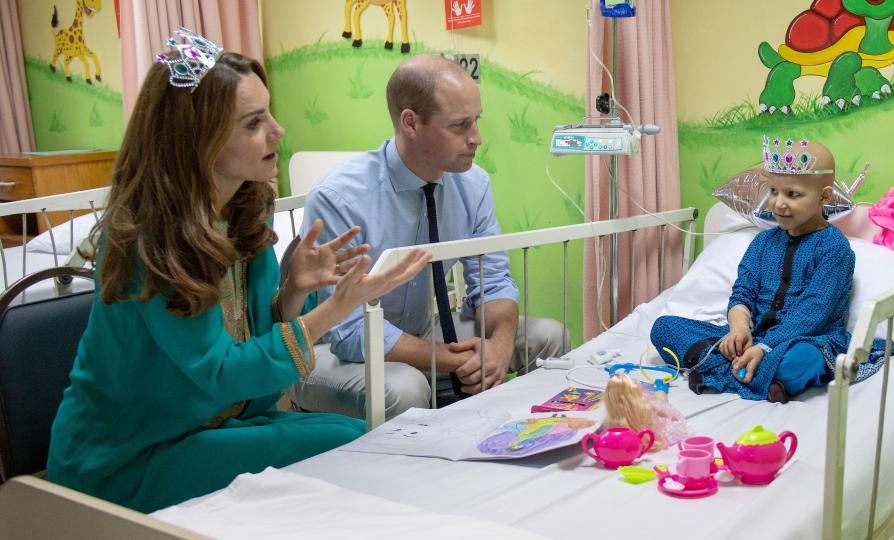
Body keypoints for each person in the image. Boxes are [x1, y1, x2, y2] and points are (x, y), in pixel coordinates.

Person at [45, 29, 430, 513]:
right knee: (349, 451)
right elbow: (224, 374)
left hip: (208, 425)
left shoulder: (243, 213)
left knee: (363, 437)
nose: (277, 130)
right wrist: (334, 309)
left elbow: (257, 376)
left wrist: (293, 294)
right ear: (196, 141)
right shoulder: (152, 242)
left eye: (268, 112)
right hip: (125, 460)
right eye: (253, 123)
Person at [290, 55, 569, 418]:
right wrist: (443, 357)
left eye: (477, 120)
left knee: (550, 335)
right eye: (459, 125)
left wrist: (498, 348)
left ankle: (528, 446)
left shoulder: (473, 185)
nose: (476, 138)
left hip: (422, 335)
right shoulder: (340, 198)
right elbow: (347, 329)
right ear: (411, 123)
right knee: (405, 386)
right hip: (328, 352)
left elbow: (493, 281)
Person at [650, 137, 894, 403]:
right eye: (773, 192)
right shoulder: (762, 243)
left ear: (824, 196)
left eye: (793, 194)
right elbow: (742, 293)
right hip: (754, 336)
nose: (778, 203)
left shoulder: (834, 248)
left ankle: (739, 370)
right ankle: (754, 373)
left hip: (806, 338)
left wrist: (765, 347)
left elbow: (814, 313)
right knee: (663, 328)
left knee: (801, 359)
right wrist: (739, 330)